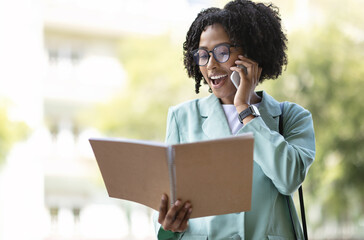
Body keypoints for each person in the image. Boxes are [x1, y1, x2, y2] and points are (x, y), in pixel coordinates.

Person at [153, 0, 316, 239]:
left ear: (251, 53)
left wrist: (245, 109)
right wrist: (169, 227)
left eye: (221, 52)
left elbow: (288, 179)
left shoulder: (292, 117)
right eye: (203, 55)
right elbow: (169, 202)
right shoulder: (182, 118)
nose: (210, 65)